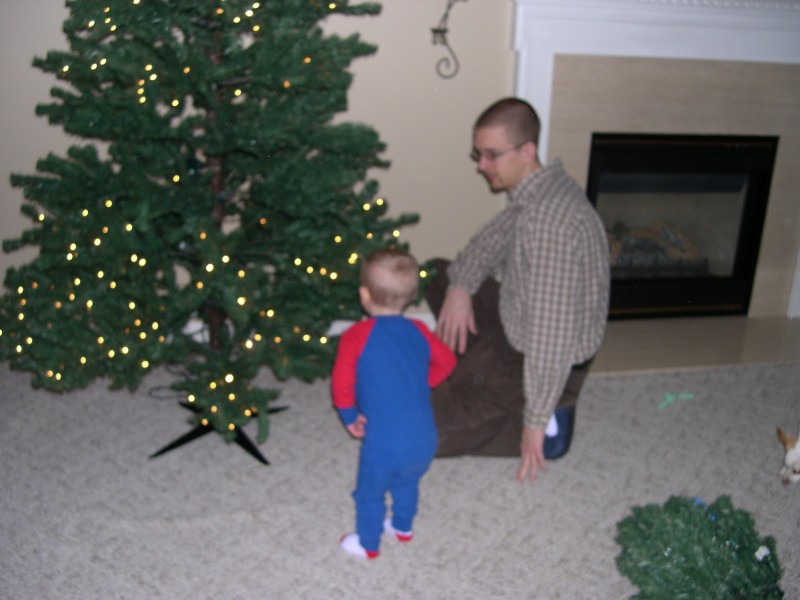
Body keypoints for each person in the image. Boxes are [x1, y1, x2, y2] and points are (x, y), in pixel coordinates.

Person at [427, 97, 610, 483]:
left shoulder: (549, 225)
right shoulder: (537, 190)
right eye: (478, 154)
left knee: (415, 434)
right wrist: (460, 289)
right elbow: (485, 246)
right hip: (518, 317)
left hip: (538, 358)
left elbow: (551, 336)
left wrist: (534, 421)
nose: (481, 166)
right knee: (438, 275)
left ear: (526, 151)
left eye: (491, 155)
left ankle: (551, 425)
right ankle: (478, 373)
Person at [331, 248, 457, 559]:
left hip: (384, 442)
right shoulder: (419, 330)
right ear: (412, 297)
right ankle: (402, 527)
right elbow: (448, 362)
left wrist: (348, 415)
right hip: (425, 438)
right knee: (407, 481)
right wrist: (419, 384)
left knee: (369, 493)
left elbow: (342, 382)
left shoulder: (355, 336)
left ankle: (368, 543)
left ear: (364, 295)